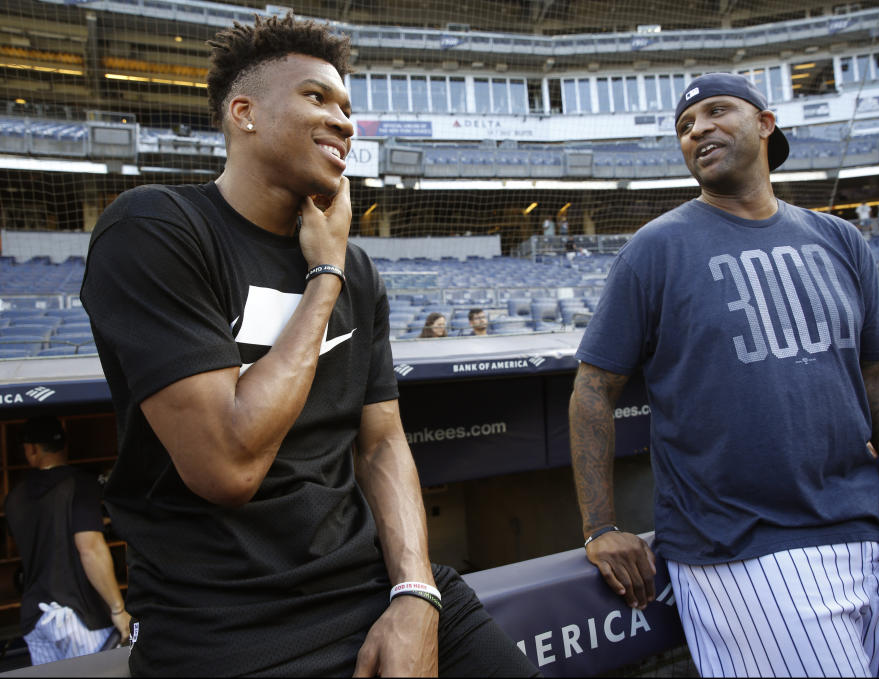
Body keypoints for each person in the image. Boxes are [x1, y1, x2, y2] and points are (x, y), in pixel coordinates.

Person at [79, 14, 536, 677]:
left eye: (347, 107)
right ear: (245, 113)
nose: (346, 121)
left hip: (378, 588)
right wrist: (324, 275)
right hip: (230, 628)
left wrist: (414, 593)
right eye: (317, 98)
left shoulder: (363, 273)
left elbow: (382, 441)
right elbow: (228, 467)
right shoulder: (154, 228)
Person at [568, 72, 879, 678]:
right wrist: (600, 526)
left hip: (872, 535)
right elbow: (592, 390)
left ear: (766, 125)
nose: (698, 130)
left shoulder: (841, 239)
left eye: (717, 112)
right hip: (741, 551)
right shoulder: (653, 249)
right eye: (685, 127)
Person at [5, 417, 131, 665]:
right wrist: (118, 609)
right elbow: (90, 548)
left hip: (35, 618)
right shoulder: (80, 485)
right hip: (80, 617)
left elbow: (42, 533)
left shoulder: (14, 498)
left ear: (31, 449)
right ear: (65, 446)